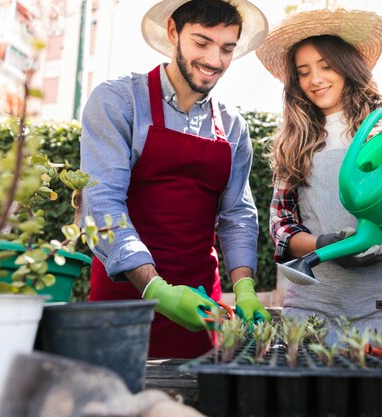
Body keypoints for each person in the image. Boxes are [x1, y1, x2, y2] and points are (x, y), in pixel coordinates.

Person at [80, 0, 271, 359]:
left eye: (226, 49)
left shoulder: (232, 127)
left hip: (200, 311)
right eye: (202, 43)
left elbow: (237, 216)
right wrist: (156, 289)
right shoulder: (119, 101)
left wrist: (244, 287)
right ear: (173, 32)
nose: (215, 60)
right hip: (123, 305)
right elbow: (101, 205)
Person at [256, 8, 382, 344]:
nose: (315, 79)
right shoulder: (293, 142)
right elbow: (282, 226)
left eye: (326, 66)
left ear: (347, 67)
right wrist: (323, 245)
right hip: (318, 305)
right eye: (304, 72)